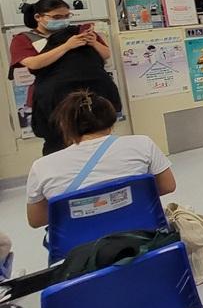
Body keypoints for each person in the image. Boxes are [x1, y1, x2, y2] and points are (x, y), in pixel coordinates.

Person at [26, 90, 176, 228]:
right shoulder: (142, 144)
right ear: (111, 119)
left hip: (80, 245)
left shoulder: (42, 167)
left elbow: (36, 220)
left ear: (66, 126)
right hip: (143, 235)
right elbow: (167, 186)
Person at [8, 0, 119, 155]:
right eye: (57, 17)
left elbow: (106, 54)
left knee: (97, 138)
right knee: (59, 142)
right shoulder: (24, 39)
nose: (63, 20)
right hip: (55, 99)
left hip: (91, 95)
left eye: (67, 16)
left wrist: (94, 42)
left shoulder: (80, 31)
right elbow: (33, 63)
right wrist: (67, 46)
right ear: (38, 17)